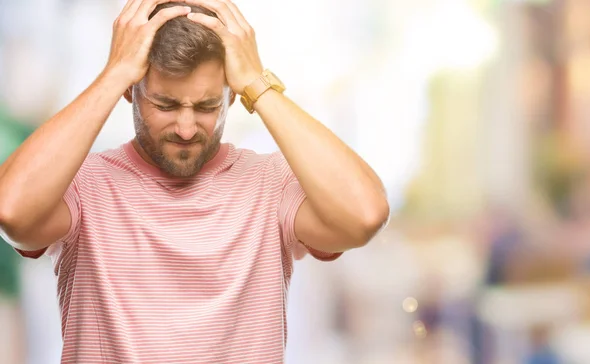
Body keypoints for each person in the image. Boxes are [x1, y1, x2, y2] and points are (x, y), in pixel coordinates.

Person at [0, 0, 389, 362]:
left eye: (207, 106)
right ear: (129, 92)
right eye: (165, 105)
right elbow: (11, 212)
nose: (187, 129)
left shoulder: (271, 185)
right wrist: (113, 72)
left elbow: (365, 215)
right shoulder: (83, 186)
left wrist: (258, 81)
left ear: (233, 96)